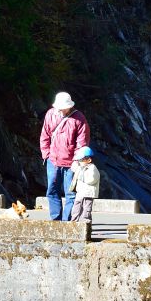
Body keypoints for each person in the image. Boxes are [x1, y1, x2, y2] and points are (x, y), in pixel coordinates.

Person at [39, 91, 90, 221]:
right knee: (52, 191)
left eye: (63, 107)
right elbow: (45, 136)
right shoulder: (50, 114)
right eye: (59, 107)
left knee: (71, 194)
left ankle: (67, 222)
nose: (61, 110)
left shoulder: (79, 118)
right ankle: (55, 220)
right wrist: (46, 154)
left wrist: (77, 161)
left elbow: (82, 143)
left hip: (71, 164)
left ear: (69, 106)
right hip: (53, 160)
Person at [69, 146, 100, 223]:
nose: (79, 162)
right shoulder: (80, 167)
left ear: (89, 160)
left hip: (88, 193)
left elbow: (92, 180)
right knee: (76, 207)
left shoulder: (92, 168)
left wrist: (81, 176)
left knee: (87, 209)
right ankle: (74, 221)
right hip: (80, 192)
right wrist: (75, 163)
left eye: (81, 160)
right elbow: (73, 169)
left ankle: (86, 223)